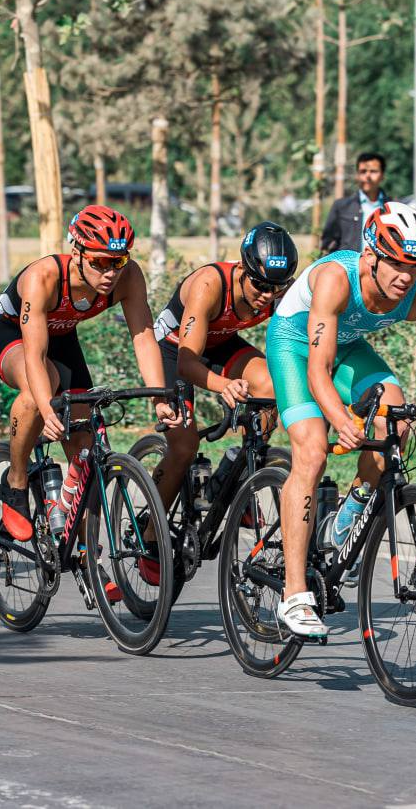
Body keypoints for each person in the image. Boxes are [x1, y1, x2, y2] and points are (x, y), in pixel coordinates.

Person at [265, 202, 416, 638]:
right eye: (397, 264)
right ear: (370, 256)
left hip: (346, 346)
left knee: (396, 421)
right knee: (312, 452)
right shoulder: (336, 279)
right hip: (295, 344)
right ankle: (294, 594)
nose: (406, 276)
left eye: (415, 265)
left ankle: (348, 514)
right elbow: (317, 370)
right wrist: (339, 419)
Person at [0, 204, 181, 566]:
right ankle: (16, 480)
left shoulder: (128, 277)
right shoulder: (44, 277)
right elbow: (35, 355)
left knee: (87, 448)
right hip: (10, 332)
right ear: (77, 252)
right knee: (40, 388)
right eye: (100, 262)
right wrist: (46, 409)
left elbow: (143, 337)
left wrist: (159, 397)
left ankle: (88, 554)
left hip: (61, 335)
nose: (110, 272)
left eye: (118, 261)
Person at [144, 222, 298, 583]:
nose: (267, 295)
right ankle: (150, 533)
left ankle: (239, 476)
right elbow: (187, 362)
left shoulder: (278, 291)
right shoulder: (209, 286)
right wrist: (224, 385)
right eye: (260, 285)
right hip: (174, 350)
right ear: (242, 268)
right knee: (185, 445)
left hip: (220, 341)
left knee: (271, 386)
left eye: (277, 288)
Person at [320, 152, 390, 254]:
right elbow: (327, 243)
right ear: (357, 175)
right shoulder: (341, 206)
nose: (368, 176)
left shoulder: (393, 208)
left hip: (383, 263)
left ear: (382, 175)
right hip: (350, 263)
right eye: (363, 171)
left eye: (373, 171)